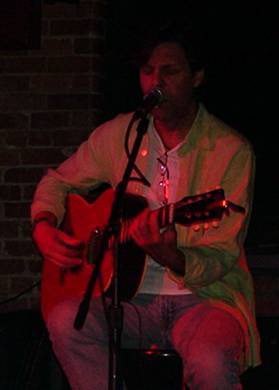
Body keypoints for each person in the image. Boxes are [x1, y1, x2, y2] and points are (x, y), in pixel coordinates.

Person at [31, 23, 261, 390]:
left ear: (197, 76)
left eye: (169, 71)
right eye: (148, 71)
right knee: (64, 320)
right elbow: (57, 181)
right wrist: (43, 225)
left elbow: (223, 253)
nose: (156, 81)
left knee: (211, 362)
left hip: (205, 300)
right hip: (130, 301)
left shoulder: (230, 151)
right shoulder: (121, 135)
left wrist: (172, 257)